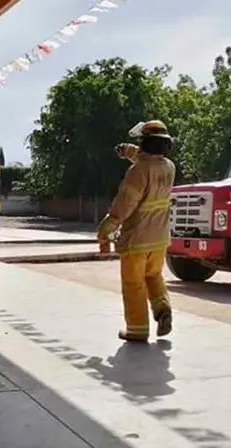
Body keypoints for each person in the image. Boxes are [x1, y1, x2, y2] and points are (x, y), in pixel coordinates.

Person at [98, 120, 176, 342]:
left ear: (146, 143)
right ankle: (163, 310)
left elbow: (125, 204)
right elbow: (148, 160)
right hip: (159, 238)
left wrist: (107, 227)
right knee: (154, 276)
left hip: (137, 240)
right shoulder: (169, 167)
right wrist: (127, 151)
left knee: (134, 284)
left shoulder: (138, 171)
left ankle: (137, 329)